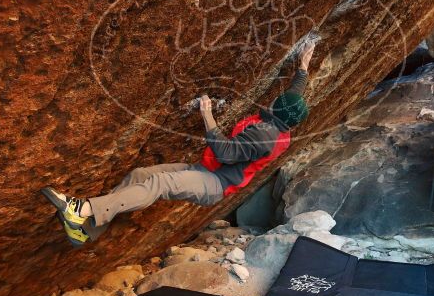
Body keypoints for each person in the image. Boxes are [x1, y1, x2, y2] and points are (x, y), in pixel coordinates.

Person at [42, 40, 316, 246]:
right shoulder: (283, 122)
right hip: (207, 169)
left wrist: (207, 115)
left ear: (277, 111)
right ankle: (88, 228)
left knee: (160, 184)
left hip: (216, 182)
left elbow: (226, 152)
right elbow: (293, 96)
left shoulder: (264, 135)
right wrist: (302, 68)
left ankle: (82, 209)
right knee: (141, 175)